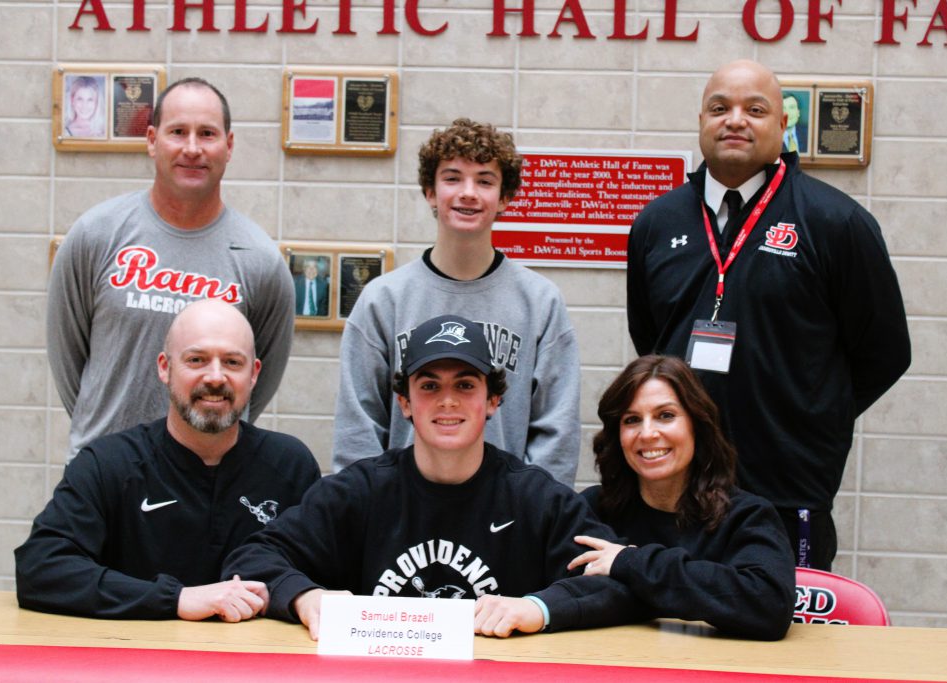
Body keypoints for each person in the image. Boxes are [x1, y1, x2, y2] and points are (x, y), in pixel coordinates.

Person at [626, 60, 910, 570]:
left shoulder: (836, 222)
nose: (735, 120)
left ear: (783, 126)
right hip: (674, 490)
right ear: (701, 121)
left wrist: (811, 416)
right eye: (720, 108)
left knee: (785, 643)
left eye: (755, 109)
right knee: (671, 636)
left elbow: (885, 352)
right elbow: (650, 339)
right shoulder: (656, 222)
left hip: (787, 490)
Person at [223, 314, 637, 639]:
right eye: (429, 386)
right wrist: (305, 597)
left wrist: (538, 608)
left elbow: (619, 579)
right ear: (404, 402)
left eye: (465, 384)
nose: (448, 401)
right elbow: (252, 558)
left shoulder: (536, 498)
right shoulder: (360, 491)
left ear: (493, 400)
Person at [15, 300, 320, 620]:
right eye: (196, 360)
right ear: (165, 367)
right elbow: (41, 568)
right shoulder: (109, 464)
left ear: (254, 373)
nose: (215, 377)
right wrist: (176, 599)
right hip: (135, 659)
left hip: (256, 663)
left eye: (232, 362)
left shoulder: (290, 465)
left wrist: (300, 594)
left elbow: (325, 572)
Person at [48, 77, 295, 462]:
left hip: (209, 476)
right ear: (151, 140)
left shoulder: (260, 259)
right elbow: (69, 361)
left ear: (228, 146)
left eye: (207, 134)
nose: (192, 148)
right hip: (104, 477)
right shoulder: (96, 236)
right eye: (178, 132)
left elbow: (255, 381)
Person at [333, 118, 581, 486]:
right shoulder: (383, 300)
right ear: (430, 192)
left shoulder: (540, 302)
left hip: (506, 516)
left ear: (505, 197)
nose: (468, 192)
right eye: (452, 178)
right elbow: (359, 427)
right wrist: (369, 510)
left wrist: (535, 515)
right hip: (402, 513)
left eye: (484, 180)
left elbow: (556, 431)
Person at [570, 355, 795, 641]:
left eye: (666, 415)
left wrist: (630, 562)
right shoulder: (593, 509)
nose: (648, 433)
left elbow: (769, 607)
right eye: (632, 419)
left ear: (697, 425)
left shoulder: (747, 516)